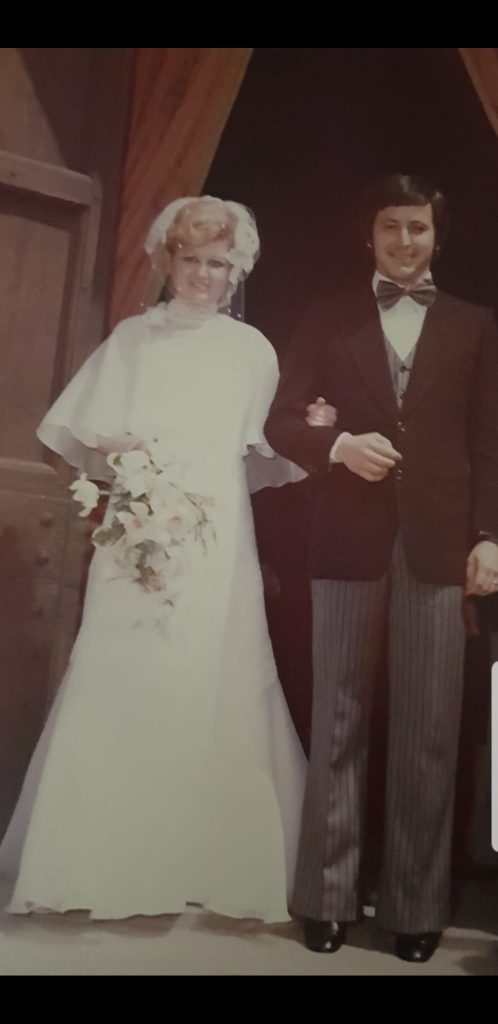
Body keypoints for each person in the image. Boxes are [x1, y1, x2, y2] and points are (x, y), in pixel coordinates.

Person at [0, 196, 305, 923]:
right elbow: (89, 431)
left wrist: (313, 426)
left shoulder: (252, 351)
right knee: (125, 664)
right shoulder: (134, 340)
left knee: (215, 667)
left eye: (216, 263)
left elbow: (271, 443)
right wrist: (126, 453)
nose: (202, 275)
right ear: (167, 261)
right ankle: (98, 858)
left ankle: (203, 861)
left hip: (215, 532)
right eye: (189, 260)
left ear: (236, 270)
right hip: (141, 529)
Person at [264, 174, 498, 961]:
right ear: (369, 234)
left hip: (439, 547)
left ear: (437, 236)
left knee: (430, 730)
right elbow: (281, 420)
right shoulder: (327, 317)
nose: (405, 241)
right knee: (337, 721)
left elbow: (491, 443)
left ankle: (415, 908)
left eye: (418, 228)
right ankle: (325, 898)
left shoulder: (474, 325)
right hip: (345, 541)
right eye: (392, 226)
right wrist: (336, 446)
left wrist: (490, 536)